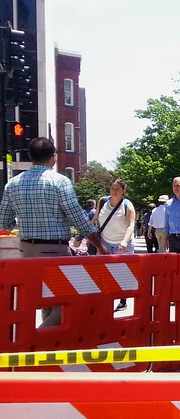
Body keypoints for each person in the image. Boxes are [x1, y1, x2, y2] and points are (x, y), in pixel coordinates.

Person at [0, 137, 109, 323]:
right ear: (54, 157)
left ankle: (47, 345)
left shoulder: (13, 184)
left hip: (26, 250)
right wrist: (100, 246)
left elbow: (5, 221)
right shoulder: (59, 182)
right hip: (54, 250)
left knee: (44, 300)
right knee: (65, 300)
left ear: (30, 156)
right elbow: (78, 218)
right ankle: (42, 337)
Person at [93, 178, 136, 310]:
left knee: (122, 273)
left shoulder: (127, 205)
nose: (115, 191)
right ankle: (105, 299)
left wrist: (124, 240)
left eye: (118, 189)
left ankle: (123, 301)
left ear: (123, 191)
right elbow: (95, 219)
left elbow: (131, 225)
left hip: (122, 243)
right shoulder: (103, 201)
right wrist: (82, 236)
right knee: (102, 272)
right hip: (105, 242)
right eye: (112, 188)